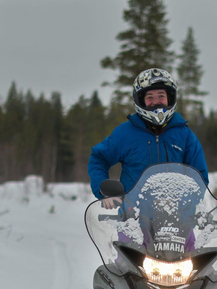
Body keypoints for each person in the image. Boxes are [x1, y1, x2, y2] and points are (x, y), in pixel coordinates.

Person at [87, 68, 209, 202]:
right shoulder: (125, 133)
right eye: (150, 97)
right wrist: (103, 190)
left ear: (170, 98)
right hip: (133, 216)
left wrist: (188, 201)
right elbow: (99, 157)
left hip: (177, 216)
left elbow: (199, 177)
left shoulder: (185, 135)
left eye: (161, 96)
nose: (156, 102)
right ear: (140, 100)